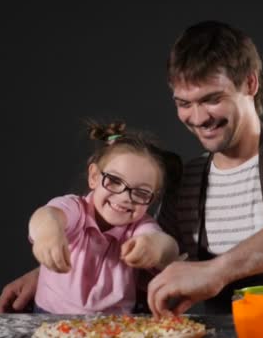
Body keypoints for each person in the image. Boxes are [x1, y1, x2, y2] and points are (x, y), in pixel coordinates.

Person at [0, 20, 263, 317]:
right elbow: (150, 264)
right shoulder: (189, 181)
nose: (197, 118)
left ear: (250, 84)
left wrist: (218, 270)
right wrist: (55, 271)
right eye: (184, 103)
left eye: (212, 100)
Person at [25, 121, 179, 314]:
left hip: (115, 323)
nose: (124, 198)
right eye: (114, 181)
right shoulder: (76, 209)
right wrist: (48, 233)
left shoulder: (140, 226)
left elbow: (169, 247)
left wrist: (155, 247)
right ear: (94, 177)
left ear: (152, 199)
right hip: (50, 316)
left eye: (141, 192)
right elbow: (48, 215)